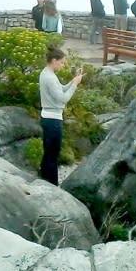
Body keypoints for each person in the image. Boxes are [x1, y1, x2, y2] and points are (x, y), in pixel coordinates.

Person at [39, 45, 84, 185]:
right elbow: (63, 98)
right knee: (53, 155)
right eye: (62, 62)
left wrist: (73, 81)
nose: (63, 65)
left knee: (48, 153)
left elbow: (61, 89)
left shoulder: (47, 74)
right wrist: (75, 85)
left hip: (48, 118)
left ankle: (43, 180)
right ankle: (52, 185)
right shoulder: (50, 78)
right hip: (52, 120)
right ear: (54, 60)